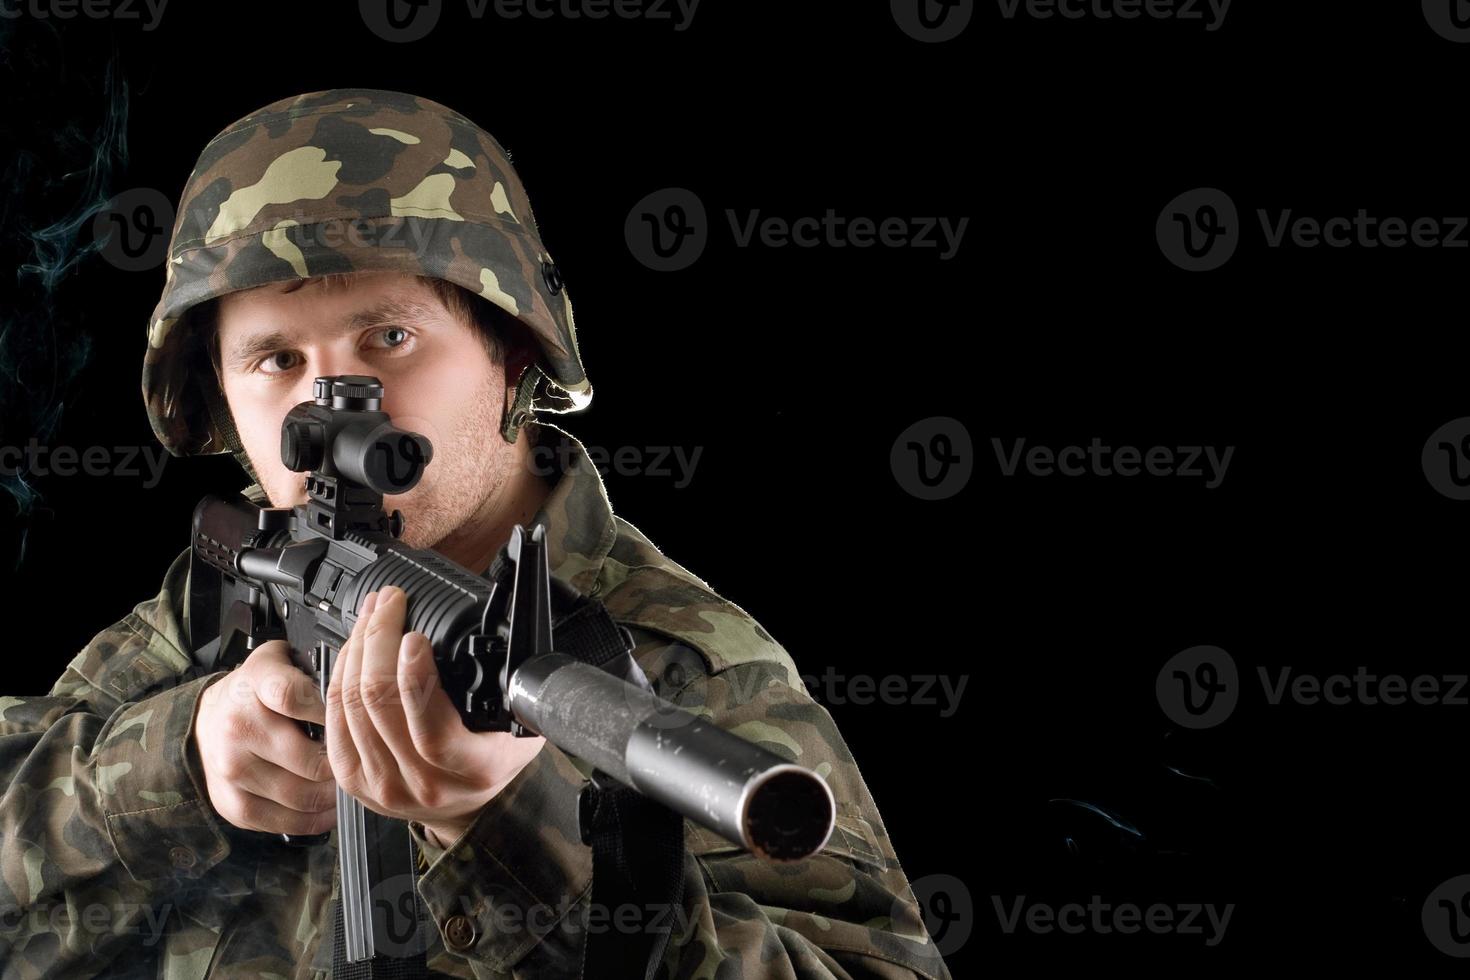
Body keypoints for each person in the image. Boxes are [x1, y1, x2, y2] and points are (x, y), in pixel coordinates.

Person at [0, 88, 951, 979]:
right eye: (276, 358)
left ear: (513, 353)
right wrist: (177, 762)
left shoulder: (676, 666)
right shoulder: (221, 601)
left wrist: (512, 829)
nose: (335, 400)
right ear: (218, 398)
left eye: (390, 338)